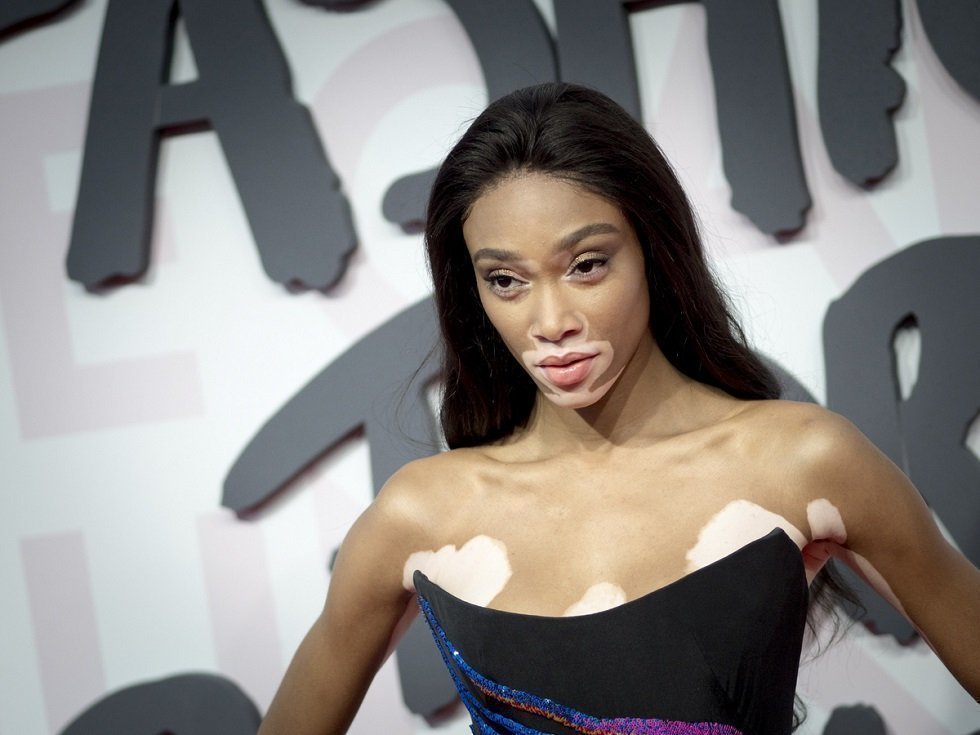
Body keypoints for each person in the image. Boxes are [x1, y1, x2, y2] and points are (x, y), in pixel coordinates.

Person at [259, 83, 980, 734]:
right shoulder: (421, 515)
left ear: (653, 250)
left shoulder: (803, 461)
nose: (551, 321)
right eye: (505, 280)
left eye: (587, 265)